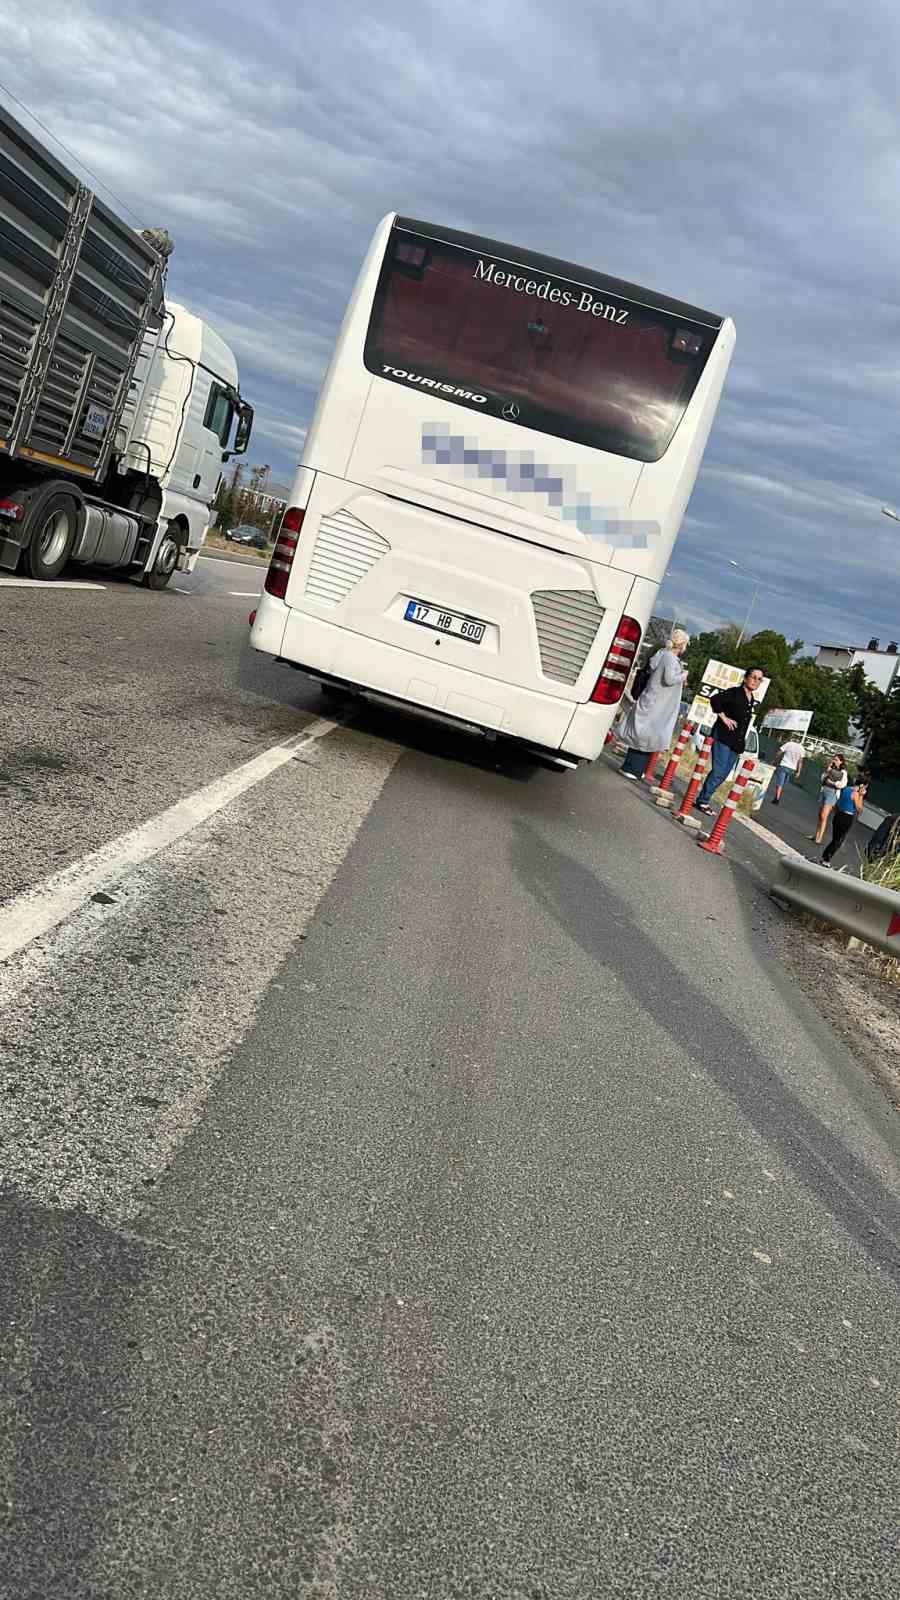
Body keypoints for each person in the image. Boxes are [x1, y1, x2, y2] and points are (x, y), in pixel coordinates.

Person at [618, 629, 690, 779]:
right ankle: (632, 769)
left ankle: (633, 768)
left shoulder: (663, 654)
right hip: (657, 703)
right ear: (682, 644)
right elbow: (670, 679)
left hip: (654, 700)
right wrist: (683, 676)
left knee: (644, 734)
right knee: (646, 736)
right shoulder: (669, 657)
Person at [695, 668, 764, 813]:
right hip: (723, 736)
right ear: (745, 678)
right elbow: (715, 700)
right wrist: (723, 717)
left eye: (759, 679)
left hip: (736, 742)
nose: (755, 681)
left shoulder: (751, 699)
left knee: (724, 774)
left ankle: (703, 798)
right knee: (718, 771)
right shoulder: (735, 692)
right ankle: (703, 801)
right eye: (753, 677)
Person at [821, 772, 869, 866]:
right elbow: (859, 809)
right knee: (838, 841)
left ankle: (825, 856)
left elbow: (839, 803)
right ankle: (826, 859)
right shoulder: (856, 794)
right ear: (862, 785)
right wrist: (861, 796)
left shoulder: (846, 789)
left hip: (838, 815)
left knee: (835, 839)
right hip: (847, 818)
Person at [811, 755, 848, 844]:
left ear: (841, 762)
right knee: (820, 814)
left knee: (824, 815)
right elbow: (822, 777)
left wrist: (833, 783)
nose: (834, 761)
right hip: (824, 790)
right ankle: (816, 835)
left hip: (832, 793)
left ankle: (819, 838)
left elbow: (843, 784)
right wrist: (828, 772)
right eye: (833, 759)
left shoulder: (843, 772)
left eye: (836, 760)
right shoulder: (830, 769)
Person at [771, 736, 805, 805]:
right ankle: (777, 796)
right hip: (792, 769)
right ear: (800, 741)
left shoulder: (789, 744)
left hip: (784, 765)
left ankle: (777, 798)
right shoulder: (802, 749)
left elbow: (779, 752)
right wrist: (798, 772)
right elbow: (800, 761)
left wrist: (774, 760)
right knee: (783, 783)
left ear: (794, 739)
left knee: (780, 783)